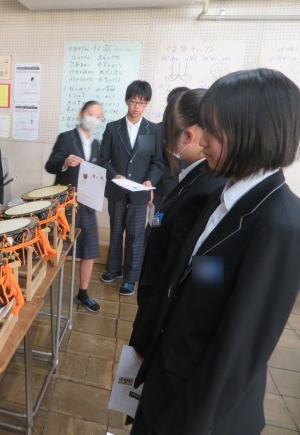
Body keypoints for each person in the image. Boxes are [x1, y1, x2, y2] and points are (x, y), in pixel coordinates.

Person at [131, 68, 300, 435]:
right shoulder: (225, 196)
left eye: (213, 129)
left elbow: (239, 351)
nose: (201, 139)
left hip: (195, 410)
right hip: (168, 377)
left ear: (252, 131)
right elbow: (202, 279)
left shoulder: (279, 225)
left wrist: (185, 424)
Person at [128, 88, 226, 358]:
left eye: (169, 132)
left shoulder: (209, 189)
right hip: (156, 303)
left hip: (165, 319)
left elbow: (199, 271)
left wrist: (150, 332)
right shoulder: (197, 176)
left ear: (188, 135)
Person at [99, 80, 163, 296]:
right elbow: (102, 159)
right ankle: (113, 269)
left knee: (136, 235)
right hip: (117, 190)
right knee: (116, 232)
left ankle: (131, 277)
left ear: (147, 104)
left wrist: (149, 181)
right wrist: (113, 174)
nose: (137, 106)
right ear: (127, 101)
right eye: (134, 101)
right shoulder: (113, 128)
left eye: (142, 103)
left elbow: (157, 163)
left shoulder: (151, 130)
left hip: (140, 193)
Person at [45, 101, 103, 312]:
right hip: (65, 205)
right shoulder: (66, 138)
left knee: (89, 250)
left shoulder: (97, 144)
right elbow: (50, 165)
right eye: (90, 113)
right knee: (57, 248)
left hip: (87, 203)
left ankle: (83, 293)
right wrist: (64, 162)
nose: (93, 119)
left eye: (98, 116)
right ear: (80, 114)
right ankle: (44, 288)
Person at [152, 86, 190, 211]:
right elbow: (143, 162)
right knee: (158, 220)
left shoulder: (193, 132)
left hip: (186, 191)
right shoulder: (152, 130)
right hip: (161, 193)